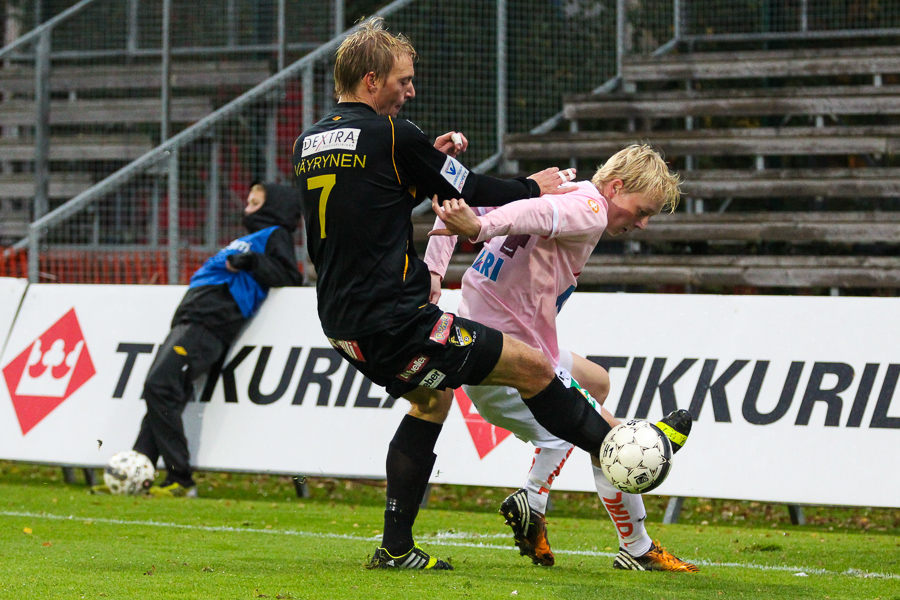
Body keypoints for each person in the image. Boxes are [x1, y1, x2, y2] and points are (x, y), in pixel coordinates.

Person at [291, 17, 687, 571]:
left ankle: (397, 549)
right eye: (403, 81)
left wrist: (428, 158)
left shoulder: (310, 140)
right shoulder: (392, 135)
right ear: (371, 79)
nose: (411, 91)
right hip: (395, 317)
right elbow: (470, 189)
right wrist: (531, 186)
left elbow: (374, 197)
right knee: (533, 369)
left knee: (430, 401)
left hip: (339, 318)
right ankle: (619, 449)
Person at [425, 143, 698, 572]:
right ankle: (637, 542)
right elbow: (526, 217)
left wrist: (434, 270)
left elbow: (464, 201)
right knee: (611, 441)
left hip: (493, 343)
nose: (642, 223)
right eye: (642, 210)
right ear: (616, 186)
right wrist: (480, 227)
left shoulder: (560, 188)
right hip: (507, 359)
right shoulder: (589, 206)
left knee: (598, 383)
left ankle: (534, 500)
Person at [92, 182, 305, 497]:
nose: (246, 206)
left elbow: (290, 276)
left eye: (255, 202)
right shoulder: (248, 238)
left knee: (159, 387)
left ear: (273, 207)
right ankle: (138, 476)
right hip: (193, 322)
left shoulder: (274, 235)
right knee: (165, 394)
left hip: (209, 324)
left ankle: (181, 480)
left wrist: (250, 262)